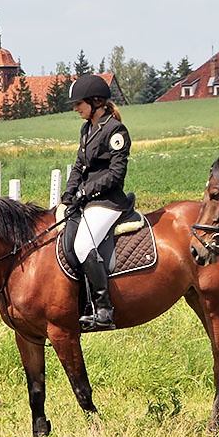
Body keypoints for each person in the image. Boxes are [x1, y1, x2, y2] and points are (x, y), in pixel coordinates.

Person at [61, 74, 131, 331]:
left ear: (96, 101)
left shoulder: (115, 131)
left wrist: (85, 192)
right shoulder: (87, 128)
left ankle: (103, 310)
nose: (75, 108)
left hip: (108, 202)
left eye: (79, 103)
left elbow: (115, 174)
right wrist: (68, 195)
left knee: (82, 246)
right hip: (87, 201)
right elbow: (80, 165)